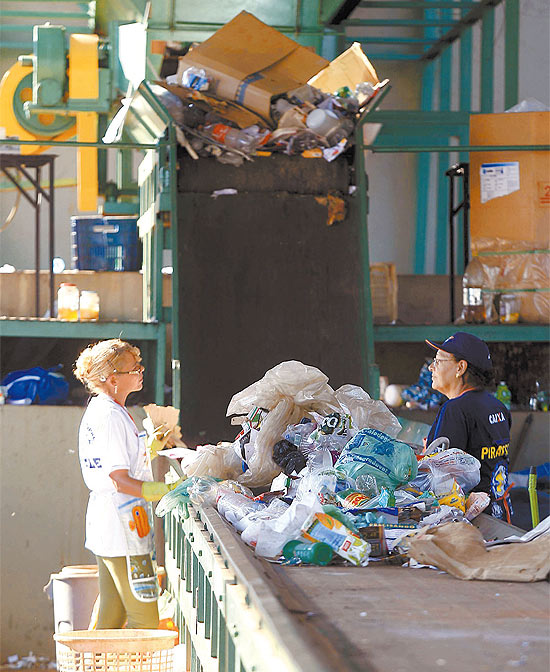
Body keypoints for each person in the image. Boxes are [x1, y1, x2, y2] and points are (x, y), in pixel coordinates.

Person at [74, 339, 178, 629]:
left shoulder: (106, 409)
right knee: (145, 618)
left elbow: (123, 462)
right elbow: (119, 479)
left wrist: (151, 446)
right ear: (112, 379)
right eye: (134, 368)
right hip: (123, 525)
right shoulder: (110, 416)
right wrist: (166, 492)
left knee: (113, 612)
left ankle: (91, 663)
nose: (140, 372)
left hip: (112, 522)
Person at [425, 331, 512, 521]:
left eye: (438, 361)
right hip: (499, 514)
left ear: (460, 368)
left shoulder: (455, 410)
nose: (432, 367)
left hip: (471, 521)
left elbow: (440, 480)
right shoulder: (498, 406)